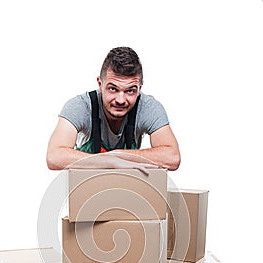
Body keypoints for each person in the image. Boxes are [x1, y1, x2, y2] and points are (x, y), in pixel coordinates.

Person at [47, 47, 180, 172]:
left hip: (127, 189)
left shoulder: (148, 107)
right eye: (113, 89)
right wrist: (108, 162)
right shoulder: (80, 106)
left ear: (140, 88)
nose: (120, 100)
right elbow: (54, 156)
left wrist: (118, 155)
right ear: (100, 84)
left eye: (130, 91)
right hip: (86, 189)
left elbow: (172, 157)